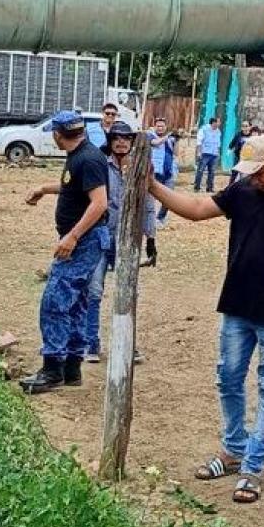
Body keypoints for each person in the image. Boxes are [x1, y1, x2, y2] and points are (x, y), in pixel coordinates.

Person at [153, 135, 264, 504]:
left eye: (258, 172)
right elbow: (199, 208)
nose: (253, 179)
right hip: (237, 306)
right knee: (228, 378)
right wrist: (152, 186)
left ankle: (253, 467)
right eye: (248, 173)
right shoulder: (243, 190)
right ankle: (233, 450)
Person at [19, 111, 109, 394]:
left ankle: (52, 369)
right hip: (86, 240)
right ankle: (72, 367)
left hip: (84, 241)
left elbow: (99, 203)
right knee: (76, 302)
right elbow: (75, 188)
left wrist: (72, 236)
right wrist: (45, 188)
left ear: (58, 134)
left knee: (55, 300)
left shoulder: (89, 158)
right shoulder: (81, 156)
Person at [83, 121, 154, 364]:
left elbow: (147, 204)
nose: (122, 142)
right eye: (117, 138)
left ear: (132, 142)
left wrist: (151, 237)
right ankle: (91, 343)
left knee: (129, 292)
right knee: (94, 290)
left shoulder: (139, 169)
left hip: (129, 239)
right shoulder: (100, 166)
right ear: (110, 140)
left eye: (127, 138)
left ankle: (127, 345)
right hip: (102, 235)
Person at [146, 117, 175, 260]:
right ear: (154, 126)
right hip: (154, 172)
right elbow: (156, 143)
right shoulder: (150, 135)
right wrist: (168, 136)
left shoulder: (169, 140)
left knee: (169, 198)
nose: (160, 128)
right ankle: (149, 224)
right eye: (158, 126)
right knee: (150, 200)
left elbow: (174, 153)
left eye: (162, 126)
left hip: (168, 172)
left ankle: (160, 218)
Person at [194, 117, 222, 193]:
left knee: (212, 172)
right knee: (200, 170)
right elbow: (199, 141)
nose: (219, 123)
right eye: (218, 122)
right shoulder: (204, 129)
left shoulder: (218, 131)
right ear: (213, 123)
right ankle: (197, 187)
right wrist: (199, 152)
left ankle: (209, 188)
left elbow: (218, 143)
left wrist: (218, 152)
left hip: (214, 154)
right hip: (205, 153)